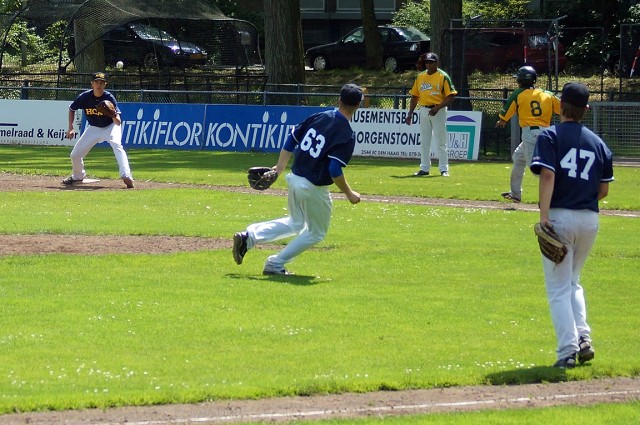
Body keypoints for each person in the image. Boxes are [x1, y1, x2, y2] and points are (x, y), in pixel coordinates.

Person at [232, 83, 363, 275]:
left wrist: (280, 167)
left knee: (296, 223)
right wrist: (349, 193)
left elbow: (292, 139)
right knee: (316, 233)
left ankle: (249, 236)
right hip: (313, 188)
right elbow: (334, 169)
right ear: (358, 106)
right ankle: (275, 264)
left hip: (294, 178)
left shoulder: (319, 116)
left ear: (339, 100)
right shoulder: (346, 134)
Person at [530, 82, 614, 369]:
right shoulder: (598, 143)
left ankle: (567, 350)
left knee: (558, 288)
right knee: (573, 281)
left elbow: (548, 176)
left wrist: (544, 216)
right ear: (586, 109)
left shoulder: (550, 135)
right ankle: (583, 338)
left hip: (560, 218)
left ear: (559, 106)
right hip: (589, 220)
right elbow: (603, 190)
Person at [496, 66, 560, 203]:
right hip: (546, 132)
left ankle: (558, 192)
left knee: (535, 168)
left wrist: (502, 121)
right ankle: (515, 193)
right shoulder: (547, 93)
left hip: (531, 133)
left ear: (520, 80)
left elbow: (505, 113)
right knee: (518, 158)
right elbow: (562, 108)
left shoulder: (518, 93)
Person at [63, 72, 134, 188]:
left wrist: (112, 114)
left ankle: (126, 175)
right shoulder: (85, 97)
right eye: (96, 82)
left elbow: (118, 122)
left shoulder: (109, 97)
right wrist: (70, 127)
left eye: (102, 82)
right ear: (92, 83)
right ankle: (78, 176)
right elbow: (72, 109)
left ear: (105, 85)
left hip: (110, 127)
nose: (99, 85)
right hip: (93, 128)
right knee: (75, 155)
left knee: (117, 146)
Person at [404, 52, 457, 177]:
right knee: (424, 142)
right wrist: (410, 113)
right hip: (423, 110)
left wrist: (437, 108)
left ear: (436, 63)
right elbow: (414, 96)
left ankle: (444, 169)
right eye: (426, 62)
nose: (428, 64)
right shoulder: (420, 77)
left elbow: (451, 96)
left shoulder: (443, 76)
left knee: (441, 142)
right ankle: (424, 168)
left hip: (438, 110)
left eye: (431, 62)